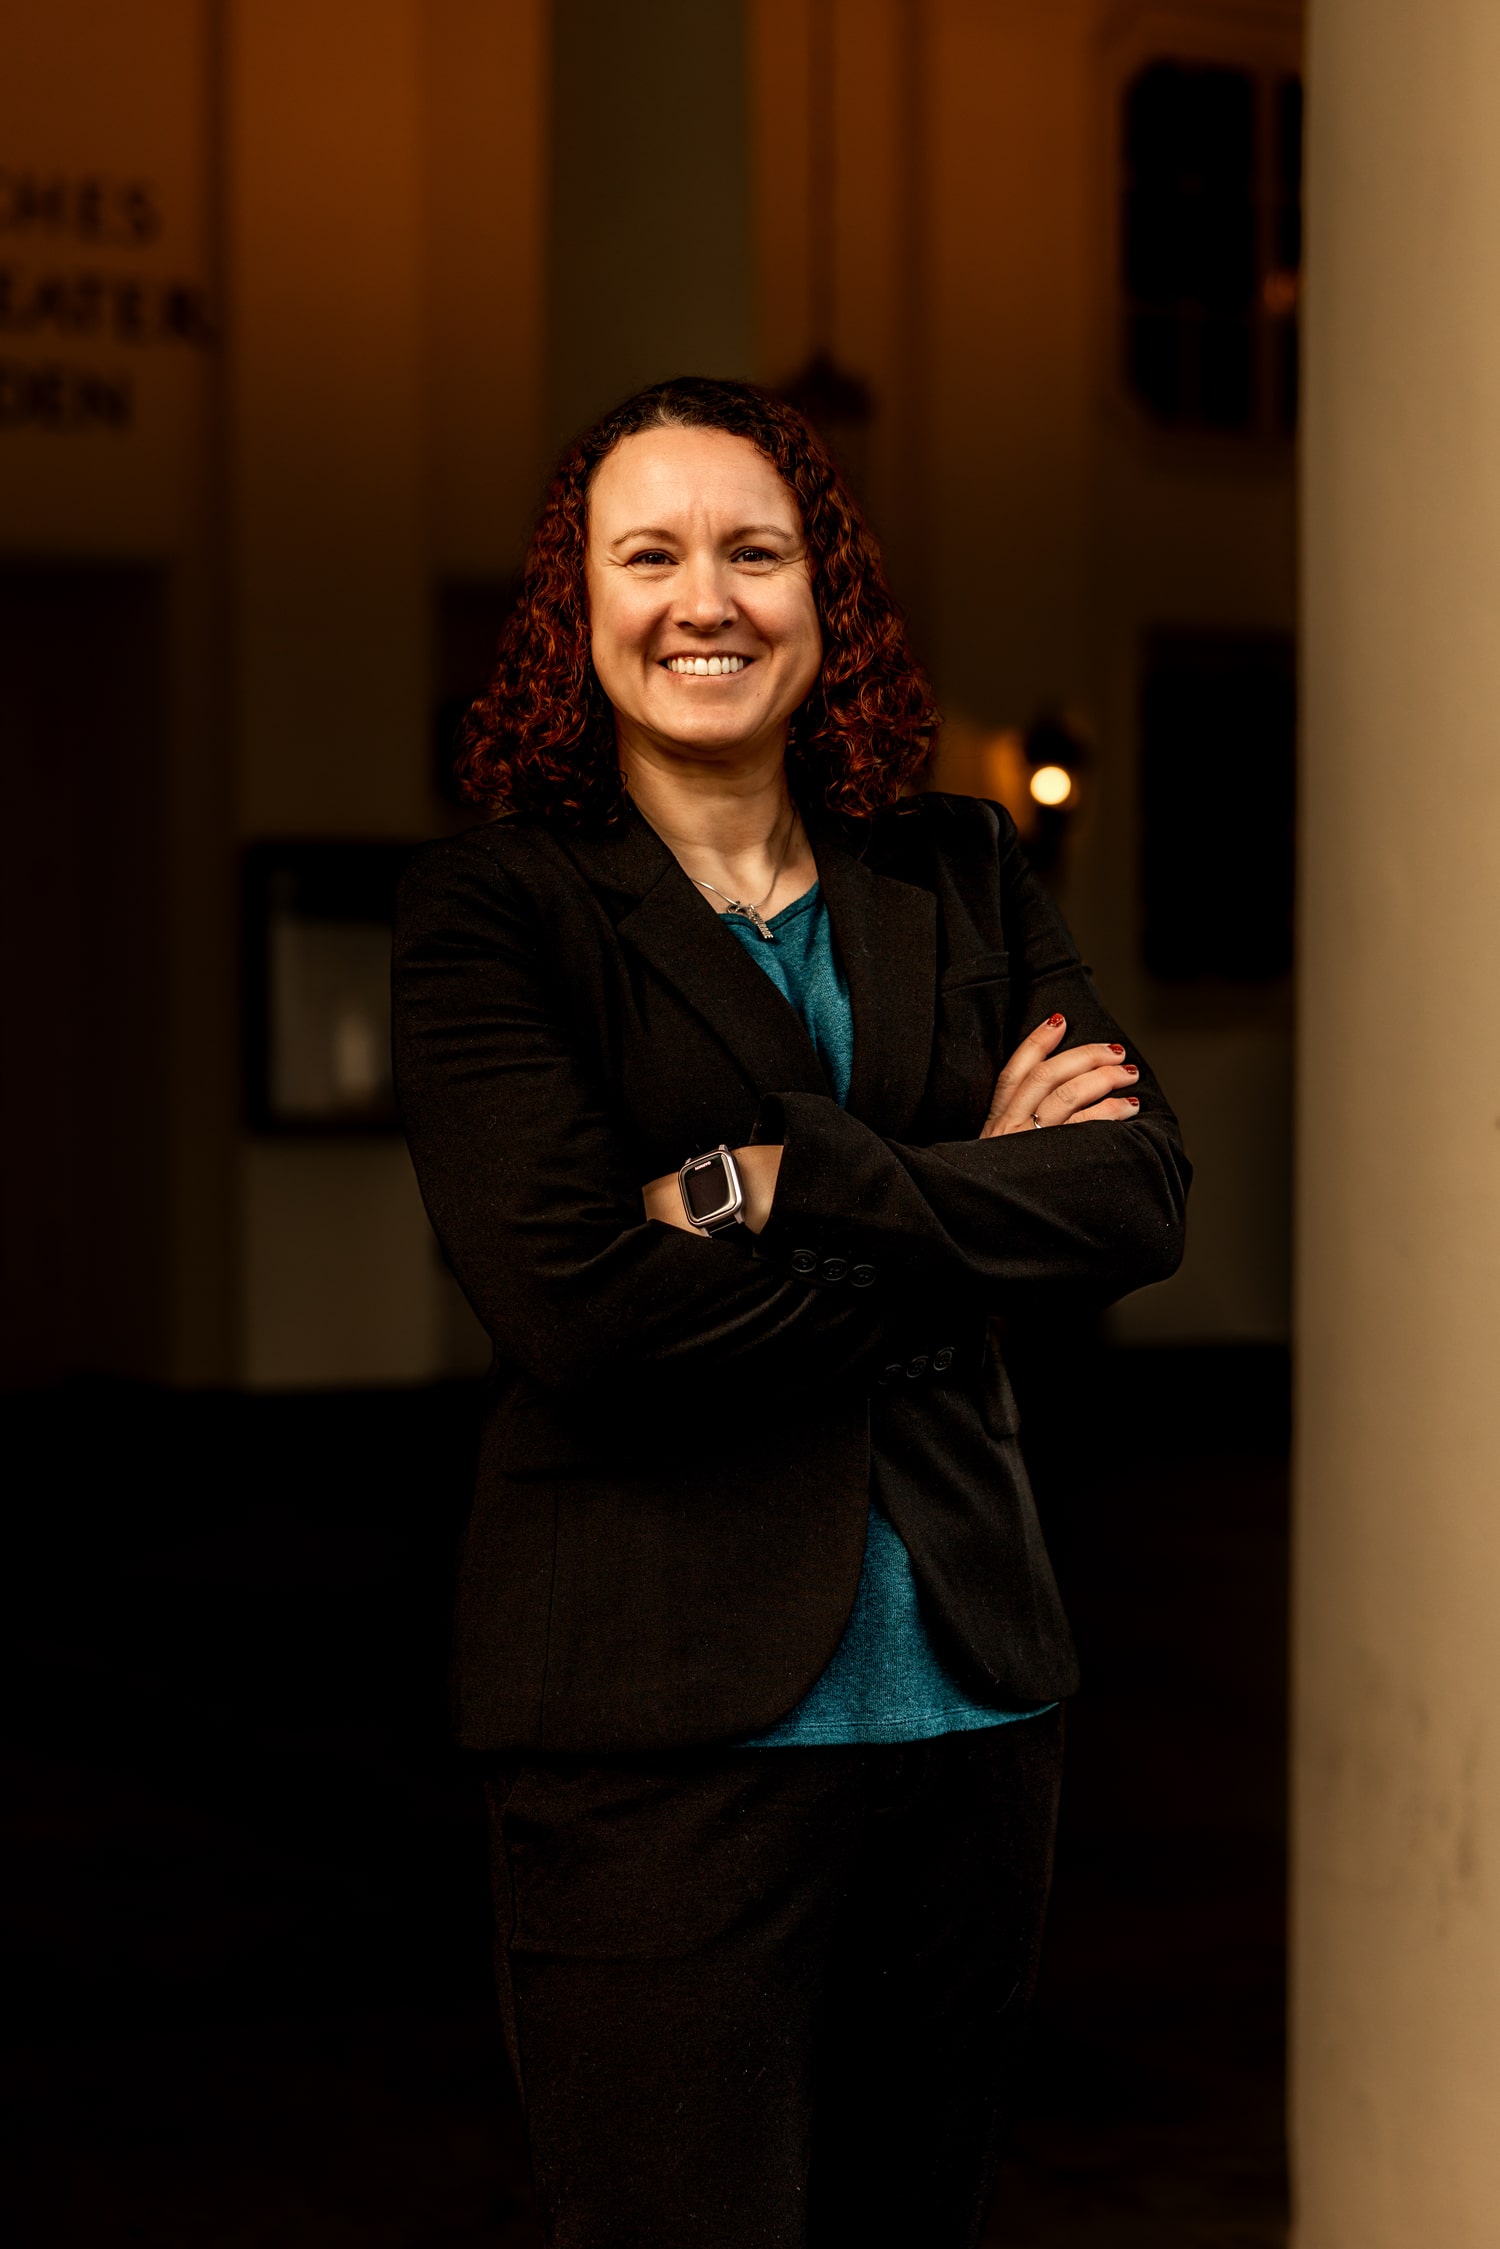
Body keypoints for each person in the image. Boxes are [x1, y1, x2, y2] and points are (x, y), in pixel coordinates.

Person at [392, 375, 1190, 2249]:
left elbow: (1136, 1196)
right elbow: (583, 1311)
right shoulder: (494, 913)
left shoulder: (963, 866)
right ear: (573, 609)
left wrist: (777, 1183)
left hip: (973, 1703)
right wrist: (964, 1211)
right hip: (659, 1724)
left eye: (755, 550)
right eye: (646, 553)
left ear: (827, 597)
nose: (705, 599)